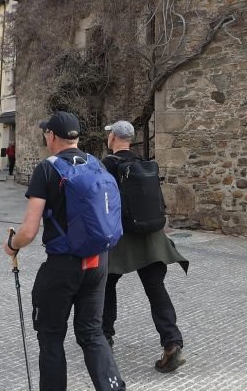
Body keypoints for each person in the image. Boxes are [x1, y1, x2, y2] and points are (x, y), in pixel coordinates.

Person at [2, 111, 125, 391]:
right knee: (93, 333)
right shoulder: (96, 164)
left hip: (63, 266)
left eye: (46, 132)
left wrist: (12, 245)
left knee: (51, 336)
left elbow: (29, 231)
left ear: (52, 136)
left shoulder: (47, 168)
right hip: (98, 262)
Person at [101, 120, 189, 372]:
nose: (108, 138)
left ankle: (104, 337)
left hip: (121, 238)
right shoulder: (144, 163)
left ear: (115, 138)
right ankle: (172, 342)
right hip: (151, 238)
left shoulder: (108, 165)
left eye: (109, 135)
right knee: (156, 289)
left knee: (106, 284)